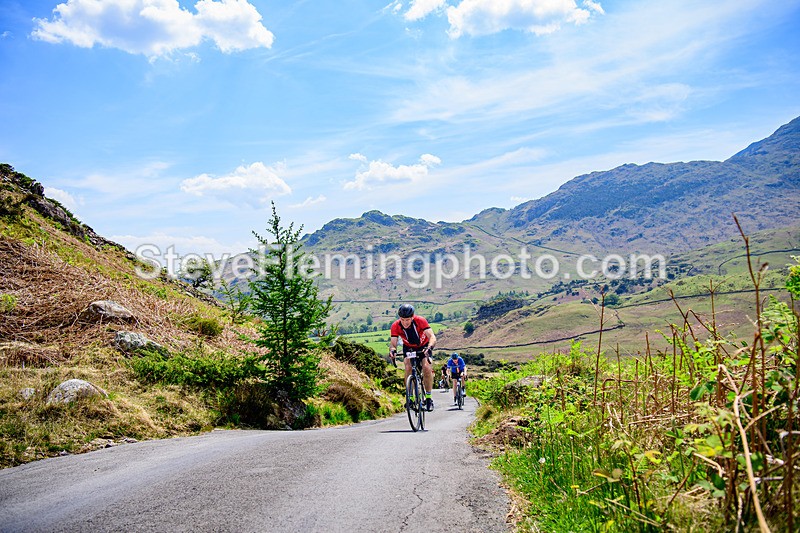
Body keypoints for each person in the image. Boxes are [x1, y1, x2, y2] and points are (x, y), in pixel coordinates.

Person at [389, 304, 437, 411]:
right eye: (402, 320)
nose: (405, 322)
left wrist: (429, 348)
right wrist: (393, 351)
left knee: (426, 367)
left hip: (423, 346)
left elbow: (432, 337)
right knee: (408, 367)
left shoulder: (420, 321)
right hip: (409, 348)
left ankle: (428, 398)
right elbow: (393, 343)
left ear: (412, 317)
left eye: (407, 320)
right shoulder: (395, 326)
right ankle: (410, 398)